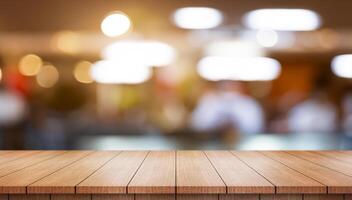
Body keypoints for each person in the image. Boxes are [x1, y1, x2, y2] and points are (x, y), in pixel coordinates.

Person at [191, 81, 264, 135]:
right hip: (210, 143)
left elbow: (256, 128)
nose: (229, 87)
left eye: (233, 85)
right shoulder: (208, 101)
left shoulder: (249, 104)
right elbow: (196, 125)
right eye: (225, 86)